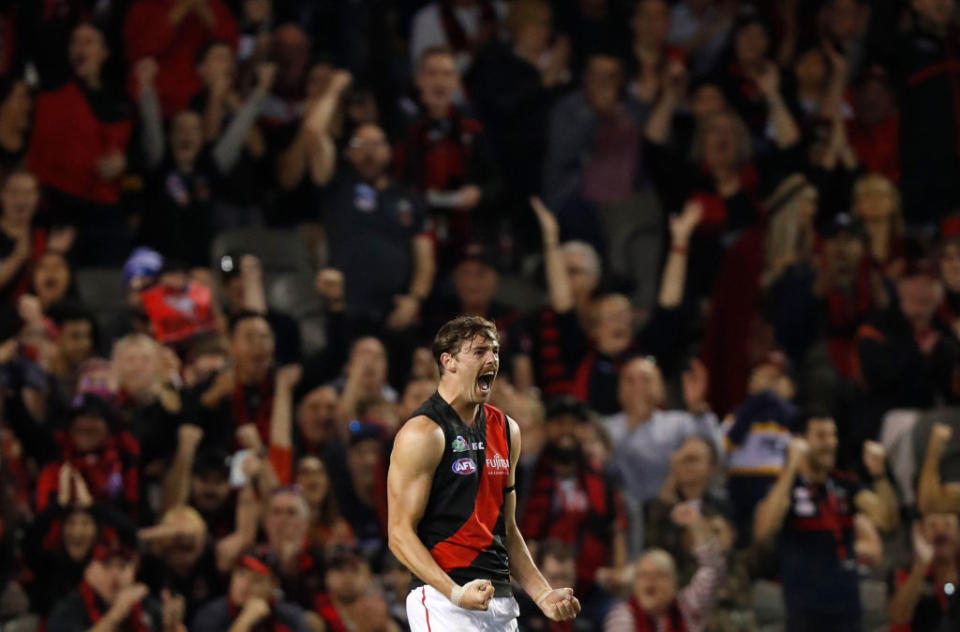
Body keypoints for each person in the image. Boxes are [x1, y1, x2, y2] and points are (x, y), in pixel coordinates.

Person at [388, 315, 581, 630]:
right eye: (479, 352)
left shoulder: (507, 431)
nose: (492, 359)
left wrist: (543, 593)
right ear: (448, 362)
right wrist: (454, 592)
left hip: (500, 602)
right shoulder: (423, 433)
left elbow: (506, 529)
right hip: (443, 601)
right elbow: (399, 534)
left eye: (495, 352)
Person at [753, 416, 898, 631]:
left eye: (833, 435)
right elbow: (763, 531)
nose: (831, 443)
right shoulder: (786, 488)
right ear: (801, 441)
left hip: (848, 610)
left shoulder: (845, 483)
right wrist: (792, 465)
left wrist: (879, 474)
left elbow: (887, 520)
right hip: (805, 614)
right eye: (821, 436)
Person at [27, 22, 133, 265]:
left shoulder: (122, 101)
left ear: (105, 52)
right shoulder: (52, 95)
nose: (80, 48)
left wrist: (125, 162)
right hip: (58, 207)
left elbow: (139, 153)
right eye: (75, 41)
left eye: (89, 41)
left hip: (104, 209)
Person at [520, 397, 627, 626]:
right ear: (546, 429)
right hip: (535, 587)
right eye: (559, 423)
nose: (566, 431)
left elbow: (616, 528)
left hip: (590, 586)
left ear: (585, 430)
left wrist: (618, 571)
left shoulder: (603, 477)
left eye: (574, 424)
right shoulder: (526, 475)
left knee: (620, 616)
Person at [396, 45, 501, 262]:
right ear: (419, 80)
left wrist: (478, 194)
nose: (440, 81)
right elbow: (392, 183)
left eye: (447, 74)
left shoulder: (474, 127)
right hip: (413, 235)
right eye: (432, 73)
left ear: (456, 82)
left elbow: (497, 184)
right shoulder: (402, 128)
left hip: (463, 235)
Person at [603, 503, 725, 632]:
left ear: (674, 583)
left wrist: (695, 522)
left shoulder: (687, 607)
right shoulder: (622, 615)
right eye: (643, 575)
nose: (650, 582)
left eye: (659, 575)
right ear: (635, 585)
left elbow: (713, 570)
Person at [47, 530, 185, 631]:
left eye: (122, 566)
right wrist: (117, 613)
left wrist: (171, 626)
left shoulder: (146, 604)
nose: (115, 574)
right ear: (88, 570)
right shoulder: (69, 609)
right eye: (106, 565)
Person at [123, 0, 238, 116]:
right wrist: (180, 9)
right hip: (156, 99)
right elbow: (141, 48)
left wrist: (205, 11)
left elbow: (230, 46)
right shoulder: (145, 5)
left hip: (201, 101)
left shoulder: (214, 5)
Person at [191, 547, 310, 632]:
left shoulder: (290, 616)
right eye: (241, 574)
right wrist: (246, 620)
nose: (244, 585)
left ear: (273, 585)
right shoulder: (210, 615)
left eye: (256, 580)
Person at [888, 513, 960, 630]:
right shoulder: (903, 570)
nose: (940, 531)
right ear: (921, 533)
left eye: (948, 525)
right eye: (933, 526)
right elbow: (898, 618)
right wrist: (920, 566)